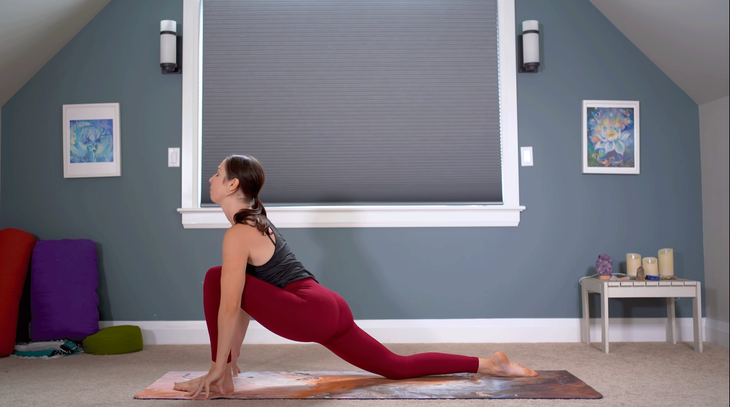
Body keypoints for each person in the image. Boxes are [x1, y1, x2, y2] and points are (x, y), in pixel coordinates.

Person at [174, 154, 537, 399]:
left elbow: (231, 306)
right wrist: (230, 361)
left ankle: (220, 376)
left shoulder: (238, 233)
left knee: (214, 278)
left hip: (308, 310)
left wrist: (217, 366)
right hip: (327, 306)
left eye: (218, 174)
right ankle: (490, 364)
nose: (211, 178)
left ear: (234, 185)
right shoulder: (257, 222)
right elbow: (248, 306)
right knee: (397, 367)